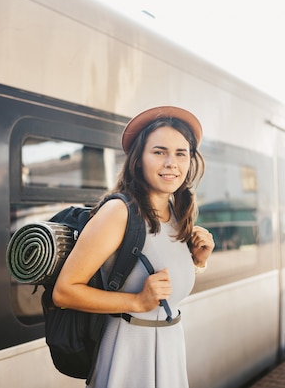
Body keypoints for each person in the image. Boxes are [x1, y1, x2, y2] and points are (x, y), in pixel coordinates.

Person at [53, 106, 214, 388]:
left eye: (180, 153)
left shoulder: (177, 215)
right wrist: (136, 301)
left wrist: (197, 262)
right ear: (138, 159)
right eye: (159, 152)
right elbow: (64, 292)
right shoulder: (119, 212)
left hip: (168, 349)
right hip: (127, 358)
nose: (171, 163)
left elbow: (164, 293)